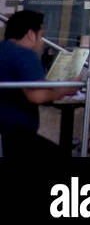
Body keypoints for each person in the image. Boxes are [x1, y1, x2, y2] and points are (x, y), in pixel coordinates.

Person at [0, 10, 80, 159]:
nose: (43, 42)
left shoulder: (4, 50)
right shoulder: (24, 53)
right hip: (14, 137)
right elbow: (38, 95)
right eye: (41, 36)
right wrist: (66, 88)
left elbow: (30, 84)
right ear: (31, 34)